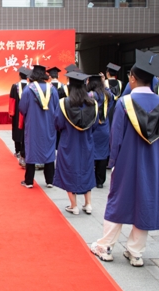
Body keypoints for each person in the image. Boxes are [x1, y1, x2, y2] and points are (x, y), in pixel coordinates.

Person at [91, 50, 159, 267]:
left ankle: (106, 246)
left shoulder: (125, 103)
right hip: (154, 163)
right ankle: (135, 252)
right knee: (146, 202)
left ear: (133, 78)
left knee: (118, 200)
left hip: (128, 161)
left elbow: (116, 137)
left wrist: (113, 162)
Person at [54, 71, 98, 215]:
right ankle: (88, 204)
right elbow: (95, 125)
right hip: (86, 143)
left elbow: (58, 123)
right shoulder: (93, 104)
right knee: (87, 170)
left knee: (69, 171)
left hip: (69, 143)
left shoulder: (64, 103)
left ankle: (74, 206)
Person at [19, 65, 58, 188]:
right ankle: (50, 180)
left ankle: (29, 181)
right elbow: (57, 108)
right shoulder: (53, 89)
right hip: (49, 125)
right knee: (49, 149)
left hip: (33, 126)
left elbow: (22, 108)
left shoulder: (28, 89)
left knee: (32, 149)